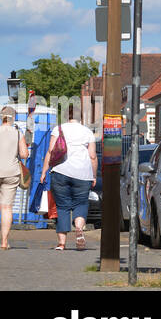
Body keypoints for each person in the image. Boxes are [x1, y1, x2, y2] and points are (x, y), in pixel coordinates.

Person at [40, 106, 97, 250]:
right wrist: (94, 175)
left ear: (67, 116)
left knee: (62, 206)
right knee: (81, 203)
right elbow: (92, 156)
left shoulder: (59, 129)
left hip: (60, 171)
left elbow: (50, 151)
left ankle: (61, 243)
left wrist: (44, 171)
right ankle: (79, 228)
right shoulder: (88, 132)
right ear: (82, 117)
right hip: (83, 174)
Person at [0, 106, 31, 250]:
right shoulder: (18, 133)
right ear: (13, 118)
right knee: (6, 208)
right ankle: (4, 242)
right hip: (11, 173)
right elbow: (24, 154)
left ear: (2, 117)